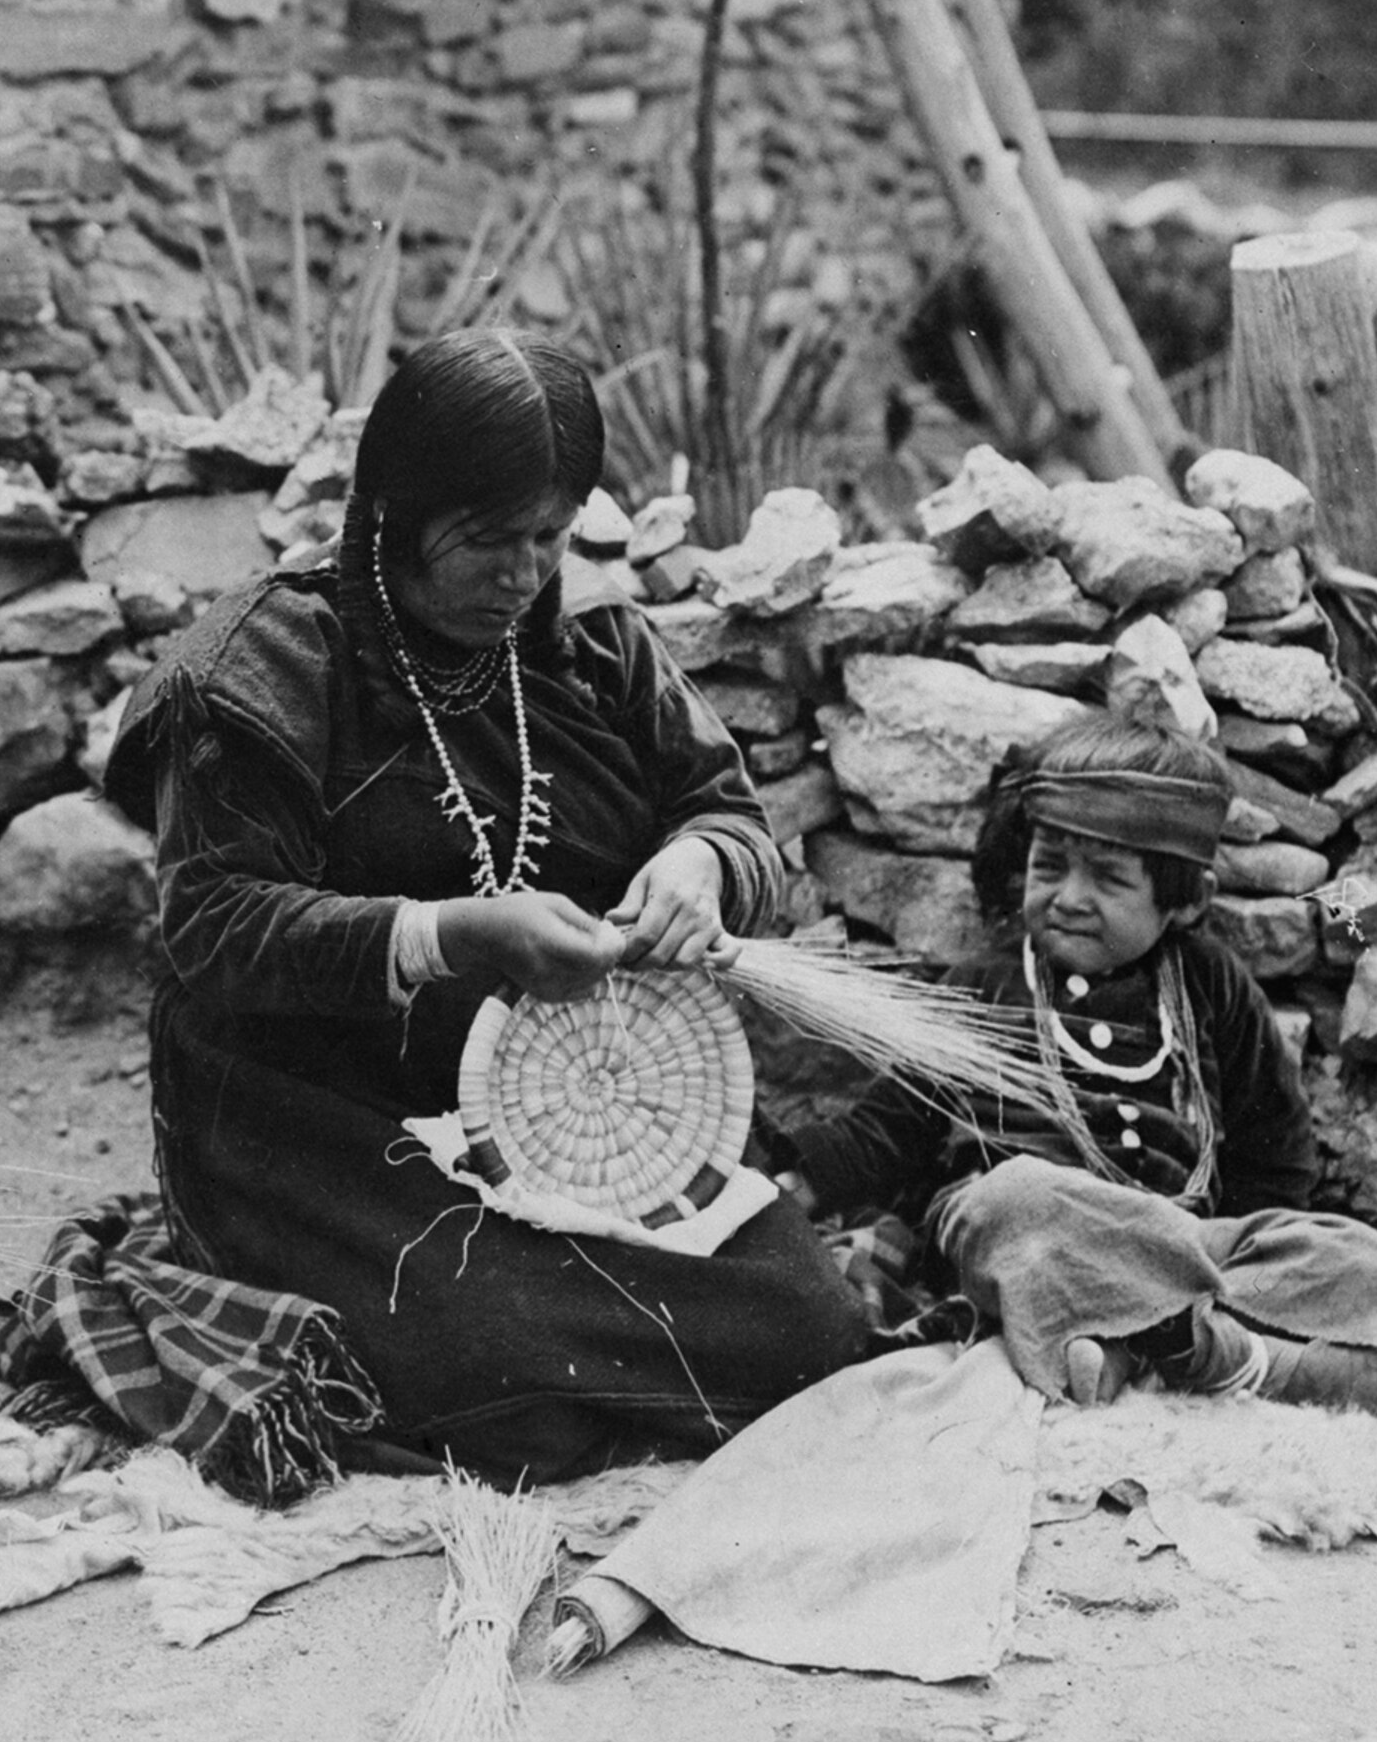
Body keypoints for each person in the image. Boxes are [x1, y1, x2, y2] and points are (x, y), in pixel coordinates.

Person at [94, 330, 876, 1483]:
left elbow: (736, 822)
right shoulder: (269, 666)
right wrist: (450, 935)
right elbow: (210, 928)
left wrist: (700, 865)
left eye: (548, 537)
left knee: (808, 1323)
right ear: (397, 515)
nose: (521, 574)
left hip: (571, 1113)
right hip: (326, 1116)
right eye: (484, 541)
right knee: (486, 1349)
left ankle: (532, 1390)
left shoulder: (593, 643)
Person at [769, 710, 1377, 1411]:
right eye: (1049, 867)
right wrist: (789, 1183)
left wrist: (1247, 1248)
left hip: (1174, 1234)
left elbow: (1272, 1154)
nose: (1069, 897)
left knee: (1363, 1257)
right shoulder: (984, 987)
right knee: (1014, 1198)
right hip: (1029, 1239)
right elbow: (886, 1130)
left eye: (1107, 878)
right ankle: (1232, 1354)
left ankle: (1161, 1344)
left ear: (1187, 901)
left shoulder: (1212, 986)